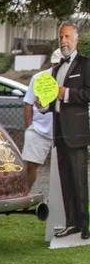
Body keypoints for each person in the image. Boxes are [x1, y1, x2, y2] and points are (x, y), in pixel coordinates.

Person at [44, 21, 90, 239]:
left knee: (80, 180)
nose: (64, 41)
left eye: (68, 37)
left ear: (76, 39)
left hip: (77, 133)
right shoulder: (56, 68)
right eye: (61, 37)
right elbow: (53, 97)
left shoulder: (85, 64)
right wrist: (44, 105)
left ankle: (85, 225)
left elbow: (87, 94)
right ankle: (71, 222)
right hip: (60, 131)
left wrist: (66, 93)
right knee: (66, 179)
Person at [21, 49, 61, 188]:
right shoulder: (39, 78)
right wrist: (29, 127)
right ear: (51, 63)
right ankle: (24, 197)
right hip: (38, 130)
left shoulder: (71, 80)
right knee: (30, 166)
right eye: (55, 64)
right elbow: (28, 103)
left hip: (62, 133)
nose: (57, 67)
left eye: (60, 64)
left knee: (63, 170)